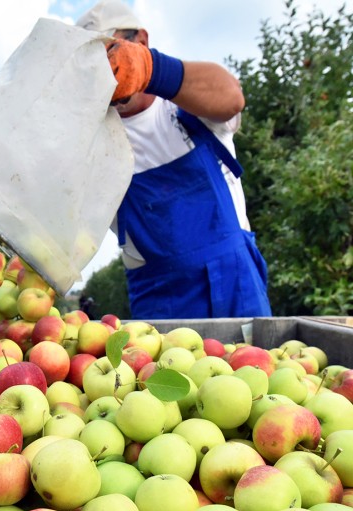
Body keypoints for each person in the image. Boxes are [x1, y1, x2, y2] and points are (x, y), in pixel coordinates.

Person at [75, 0, 272, 320]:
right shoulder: (95, 147)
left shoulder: (187, 109)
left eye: (111, 55)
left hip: (238, 288)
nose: (106, 75)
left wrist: (151, 69)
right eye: (92, 66)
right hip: (160, 303)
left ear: (141, 43)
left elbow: (231, 96)